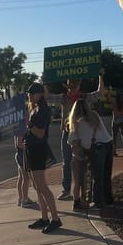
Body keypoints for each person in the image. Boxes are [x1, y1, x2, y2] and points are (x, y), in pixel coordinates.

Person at [46, 71, 105, 200]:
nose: (73, 88)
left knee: (87, 162)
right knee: (67, 162)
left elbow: (100, 93)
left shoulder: (84, 97)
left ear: (78, 86)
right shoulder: (63, 98)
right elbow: (47, 97)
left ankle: (87, 190)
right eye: (71, 86)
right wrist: (45, 81)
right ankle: (66, 189)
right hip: (68, 133)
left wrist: (100, 75)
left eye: (75, 86)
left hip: (84, 133)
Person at [24, 82, 63, 234]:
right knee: (37, 186)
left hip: (38, 149)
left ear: (39, 94)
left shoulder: (43, 111)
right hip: (31, 148)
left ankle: (55, 219)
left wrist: (28, 124)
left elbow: (40, 133)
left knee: (43, 186)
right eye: (29, 93)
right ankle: (44, 218)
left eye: (32, 93)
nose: (29, 95)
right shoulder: (34, 109)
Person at [67, 98, 114, 208]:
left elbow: (72, 144)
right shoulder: (95, 116)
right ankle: (108, 198)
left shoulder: (77, 124)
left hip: (97, 148)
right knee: (106, 175)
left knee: (98, 176)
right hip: (108, 144)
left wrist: (81, 157)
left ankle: (98, 201)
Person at [14, 130, 37, 209]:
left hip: (19, 154)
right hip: (22, 155)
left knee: (21, 177)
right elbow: (19, 143)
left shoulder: (18, 127)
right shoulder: (21, 128)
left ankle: (21, 198)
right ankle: (25, 199)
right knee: (26, 178)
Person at [111, 92, 123, 156]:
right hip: (122, 120)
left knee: (114, 138)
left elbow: (114, 111)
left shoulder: (114, 102)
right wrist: (122, 115)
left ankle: (113, 152)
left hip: (115, 120)